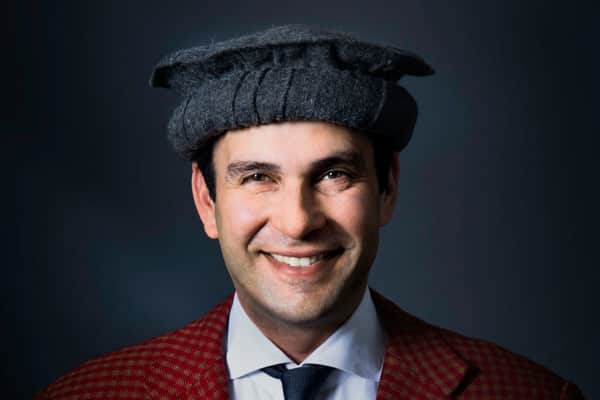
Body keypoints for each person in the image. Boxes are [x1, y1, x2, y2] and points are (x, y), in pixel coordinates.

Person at [35, 24, 583, 400]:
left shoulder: (531, 394)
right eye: (257, 177)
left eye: (333, 174)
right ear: (207, 201)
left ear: (387, 188)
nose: (298, 222)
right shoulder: (85, 395)